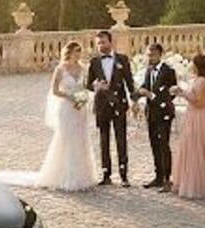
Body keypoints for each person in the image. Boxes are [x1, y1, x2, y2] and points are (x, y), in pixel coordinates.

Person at [35, 41, 101, 191]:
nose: (78, 54)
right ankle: (64, 175)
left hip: (80, 108)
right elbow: (55, 91)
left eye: (80, 51)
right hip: (66, 107)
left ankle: (83, 175)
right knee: (66, 138)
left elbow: (85, 87)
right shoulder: (61, 69)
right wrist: (70, 97)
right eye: (76, 51)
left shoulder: (83, 68)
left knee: (81, 139)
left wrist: (84, 97)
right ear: (69, 52)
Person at [169, 54, 205, 200]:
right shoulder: (201, 80)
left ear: (197, 65)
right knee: (193, 147)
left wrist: (181, 93)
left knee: (197, 148)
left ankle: (198, 184)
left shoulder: (201, 81)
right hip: (196, 116)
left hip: (198, 117)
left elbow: (199, 102)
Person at [86, 30, 136, 186]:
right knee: (103, 139)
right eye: (98, 43)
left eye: (103, 42)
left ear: (111, 42)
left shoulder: (123, 59)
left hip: (119, 103)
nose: (101, 46)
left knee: (121, 139)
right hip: (102, 105)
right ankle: (106, 174)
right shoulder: (94, 62)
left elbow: (129, 82)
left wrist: (134, 101)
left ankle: (124, 175)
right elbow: (88, 84)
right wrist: (96, 86)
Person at [135, 43, 177, 192]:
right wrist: (136, 95)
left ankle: (167, 179)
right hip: (151, 113)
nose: (149, 57)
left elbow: (171, 93)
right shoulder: (148, 70)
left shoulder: (168, 71)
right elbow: (145, 86)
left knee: (164, 145)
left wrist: (151, 95)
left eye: (152, 54)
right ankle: (158, 176)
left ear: (160, 54)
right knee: (154, 144)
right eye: (148, 54)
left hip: (163, 113)